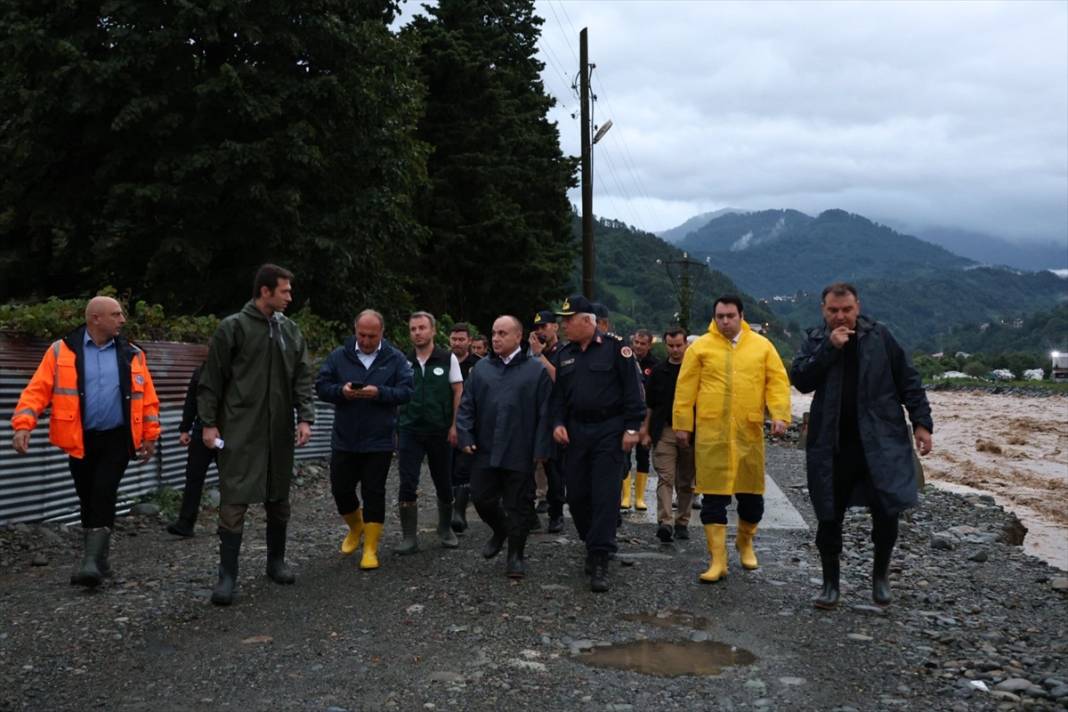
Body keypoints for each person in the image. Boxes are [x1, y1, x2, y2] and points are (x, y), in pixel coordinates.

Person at [790, 282, 933, 609]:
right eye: (833, 311)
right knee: (828, 514)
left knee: (886, 511)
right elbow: (800, 379)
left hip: (880, 443)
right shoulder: (815, 339)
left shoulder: (881, 337)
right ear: (823, 310)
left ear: (858, 307)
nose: (840, 317)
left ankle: (880, 577)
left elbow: (909, 381)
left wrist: (922, 424)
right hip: (832, 445)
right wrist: (829, 347)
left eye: (847, 310)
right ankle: (830, 585)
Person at [11, 296, 160, 587]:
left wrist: (151, 437)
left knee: (104, 491)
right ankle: (100, 561)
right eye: (116, 314)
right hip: (80, 439)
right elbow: (36, 391)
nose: (122, 320)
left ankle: (89, 562)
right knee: (87, 496)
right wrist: (23, 425)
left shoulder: (132, 353)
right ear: (96, 318)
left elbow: (148, 400)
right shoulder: (61, 351)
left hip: (117, 438)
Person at [198, 264, 315, 606]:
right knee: (233, 502)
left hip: (278, 432)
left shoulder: (290, 331)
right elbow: (211, 380)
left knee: (279, 500)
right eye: (285, 291)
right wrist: (208, 423)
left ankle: (275, 561)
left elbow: (302, 377)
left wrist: (305, 418)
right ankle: (227, 576)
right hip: (239, 430)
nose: (290, 297)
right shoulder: (232, 328)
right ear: (265, 291)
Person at [672, 295, 791, 584]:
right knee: (713, 499)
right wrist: (682, 424)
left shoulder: (762, 347)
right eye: (719, 316)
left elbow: (776, 381)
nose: (724, 321)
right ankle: (717, 560)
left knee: (752, 500)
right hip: (712, 435)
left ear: (741, 316)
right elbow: (685, 389)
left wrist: (779, 414)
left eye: (730, 316)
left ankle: (745, 542)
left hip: (748, 435)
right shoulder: (699, 348)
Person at [550, 296, 645, 592]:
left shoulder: (618, 350)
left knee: (604, 494)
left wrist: (632, 428)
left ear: (587, 321)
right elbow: (558, 398)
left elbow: (633, 391)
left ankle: (600, 557)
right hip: (577, 430)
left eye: (569, 320)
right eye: (563, 320)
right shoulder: (565, 354)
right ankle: (593, 541)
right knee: (576, 495)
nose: (564, 325)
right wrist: (557, 423)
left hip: (609, 429)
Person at [316, 310, 413, 570]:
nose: (366, 340)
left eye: (372, 336)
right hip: (345, 437)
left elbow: (407, 392)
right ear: (355, 330)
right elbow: (321, 386)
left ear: (382, 333)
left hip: (379, 439)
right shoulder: (339, 356)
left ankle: (370, 547)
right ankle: (355, 527)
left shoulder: (395, 359)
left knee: (374, 492)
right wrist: (342, 391)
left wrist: (379, 393)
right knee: (340, 488)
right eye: (361, 335)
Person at [457, 316, 553, 578]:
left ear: (518, 337)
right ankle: (500, 530)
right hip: (486, 448)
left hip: (520, 449)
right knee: (481, 498)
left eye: (502, 333)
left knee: (519, 505)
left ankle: (516, 555)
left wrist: (542, 449)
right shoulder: (481, 370)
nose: (496, 338)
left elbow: (546, 413)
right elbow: (467, 406)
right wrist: (465, 436)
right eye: (494, 333)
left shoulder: (536, 371)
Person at [395, 311, 464, 554]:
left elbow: (458, 391)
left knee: (443, 481)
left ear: (433, 330)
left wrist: (455, 425)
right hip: (410, 429)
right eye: (413, 329)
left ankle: (445, 529)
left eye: (422, 328)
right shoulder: (403, 361)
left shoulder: (447, 359)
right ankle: (409, 537)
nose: (417, 333)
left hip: (440, 429)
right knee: (407, 481)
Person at [641, 328, 695, 543]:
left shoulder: (694, 371)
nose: (675, 350)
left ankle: (682, 521)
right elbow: (649, 405)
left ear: (685, 345)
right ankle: (665, 521)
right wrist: (645, 431)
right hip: (663, 430)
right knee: (665, 477)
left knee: (686, 480)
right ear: (666, 346)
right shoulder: (657, 371)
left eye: (678, 345)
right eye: (671, 346)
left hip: (691, 431)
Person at [166, 362, 216, 537]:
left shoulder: (238, 371)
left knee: (230, 478)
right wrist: (184, 428)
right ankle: (185, 523)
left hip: (229, 433)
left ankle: (230, 522)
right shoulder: (201, 372)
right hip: (200, 432)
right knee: (193, 476)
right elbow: (191, 401)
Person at [527, 309, 566, 532]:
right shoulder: (529, 353)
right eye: (537, 328)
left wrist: (540, 355)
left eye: (544, 327)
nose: (540, 331)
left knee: (555, 469)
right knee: (526, 467)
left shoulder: (563, 351)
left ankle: (556, 514)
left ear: (555, 327)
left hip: (555, 417)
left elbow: (560, 380)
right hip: (533, 415)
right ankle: (528, 512)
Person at [448, 322, 481, 534]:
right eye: (454, 339)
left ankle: (458, 513)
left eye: (461, 339)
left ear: (469, 341)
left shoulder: (479, 364)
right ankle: (449, 510)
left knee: (463, 468)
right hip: (446, 421)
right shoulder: (443, 360)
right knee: (446, 469)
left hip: (471, 423)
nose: (457, 343)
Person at [621, 329, 657, 511]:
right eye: (636, 342)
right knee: (625, 455)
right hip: (628, 416)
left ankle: (640, 497)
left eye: (643, 343)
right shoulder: (624, 359)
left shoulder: (655, 364)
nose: (638, 346)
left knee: (643, 454)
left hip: (646, 416)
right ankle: (626, 495)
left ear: (649, 345)